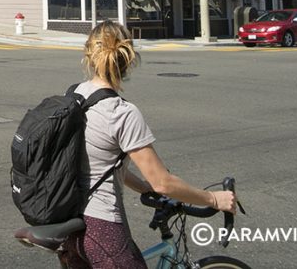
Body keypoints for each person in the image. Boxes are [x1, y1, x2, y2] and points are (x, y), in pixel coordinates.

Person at [59, 21, 236, 269]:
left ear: (89, 54)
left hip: (68, 222)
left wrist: (141, 187)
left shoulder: (75, 95)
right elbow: (162, 183)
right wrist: (213, 199)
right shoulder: (121, 112)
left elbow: (101, 160)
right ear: (129, 59)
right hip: (101, 228)